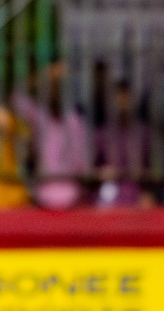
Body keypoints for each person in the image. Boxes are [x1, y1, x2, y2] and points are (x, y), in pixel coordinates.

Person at [12, 61, 90, 210]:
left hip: (71, 199)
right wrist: (44, 76)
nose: (55, 92)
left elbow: (82, 164)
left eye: (59, 87)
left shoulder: (74, 121)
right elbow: (16, 98)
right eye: (52, 87)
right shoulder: (41, 118)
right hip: (44, 197)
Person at [96, 78, 151, 208]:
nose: (122, 103)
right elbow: (92, 168)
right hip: (109, 198)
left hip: (136, 196)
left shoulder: (143, 134)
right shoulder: (102, 134)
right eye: (119, 99)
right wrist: (101, 172)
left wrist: (148, 193)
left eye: (126, 98)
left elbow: (151, 169)